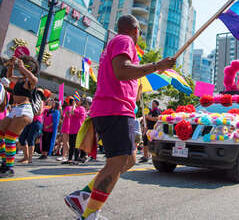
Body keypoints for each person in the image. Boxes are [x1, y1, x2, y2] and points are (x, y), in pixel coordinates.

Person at [64, 15, 176, 219]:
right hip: (114, 109)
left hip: (117, 109)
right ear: (135, 31)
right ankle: (90, 214)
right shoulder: (124, 40)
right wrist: (157, 66)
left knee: (129, 160)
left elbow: (123, 74)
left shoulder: (116, 43)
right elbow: (122, 71)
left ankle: (82, 196)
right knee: (117, 162)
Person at [0, 56, 39, 177]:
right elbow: (10, 76)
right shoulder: (21, 80)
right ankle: (4, 162)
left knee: (10, 137)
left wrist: (21, 67)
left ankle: (9, 168)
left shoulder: (31, 81)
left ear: (30, 67)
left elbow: (34, 79)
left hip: (24, 110)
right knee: (1, 134)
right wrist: (11, 65)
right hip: (15, 109)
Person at [18, 88, 45, 163]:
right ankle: (25, 157)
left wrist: (31, 111)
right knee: (22, 138)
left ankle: (29, 159)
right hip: (29, 121)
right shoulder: (31, 101)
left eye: (39, 93)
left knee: (31, 139)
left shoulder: (41, 102)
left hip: (36, 122)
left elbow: (39, 113)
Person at [64, 97, 86, 164]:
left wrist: (73, 105)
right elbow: (70, 115)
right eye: (74, 101)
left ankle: (76, 158)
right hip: (72, 129)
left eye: (77, 101)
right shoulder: (75, 108)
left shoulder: (81, 108)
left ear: (81, 102)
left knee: (76, 145)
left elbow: (73, 112)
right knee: (71, 145)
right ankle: (70, 158)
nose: (75, 102)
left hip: (77, 129)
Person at [58, 97, 75, 162]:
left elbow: (63, 116)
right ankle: (66, 155)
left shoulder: (67, 108)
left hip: (66, 125)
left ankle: (65, 156)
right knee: (66, 141)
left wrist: (60, 109)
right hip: (70, 125)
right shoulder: (72, 108)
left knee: (65, 141)